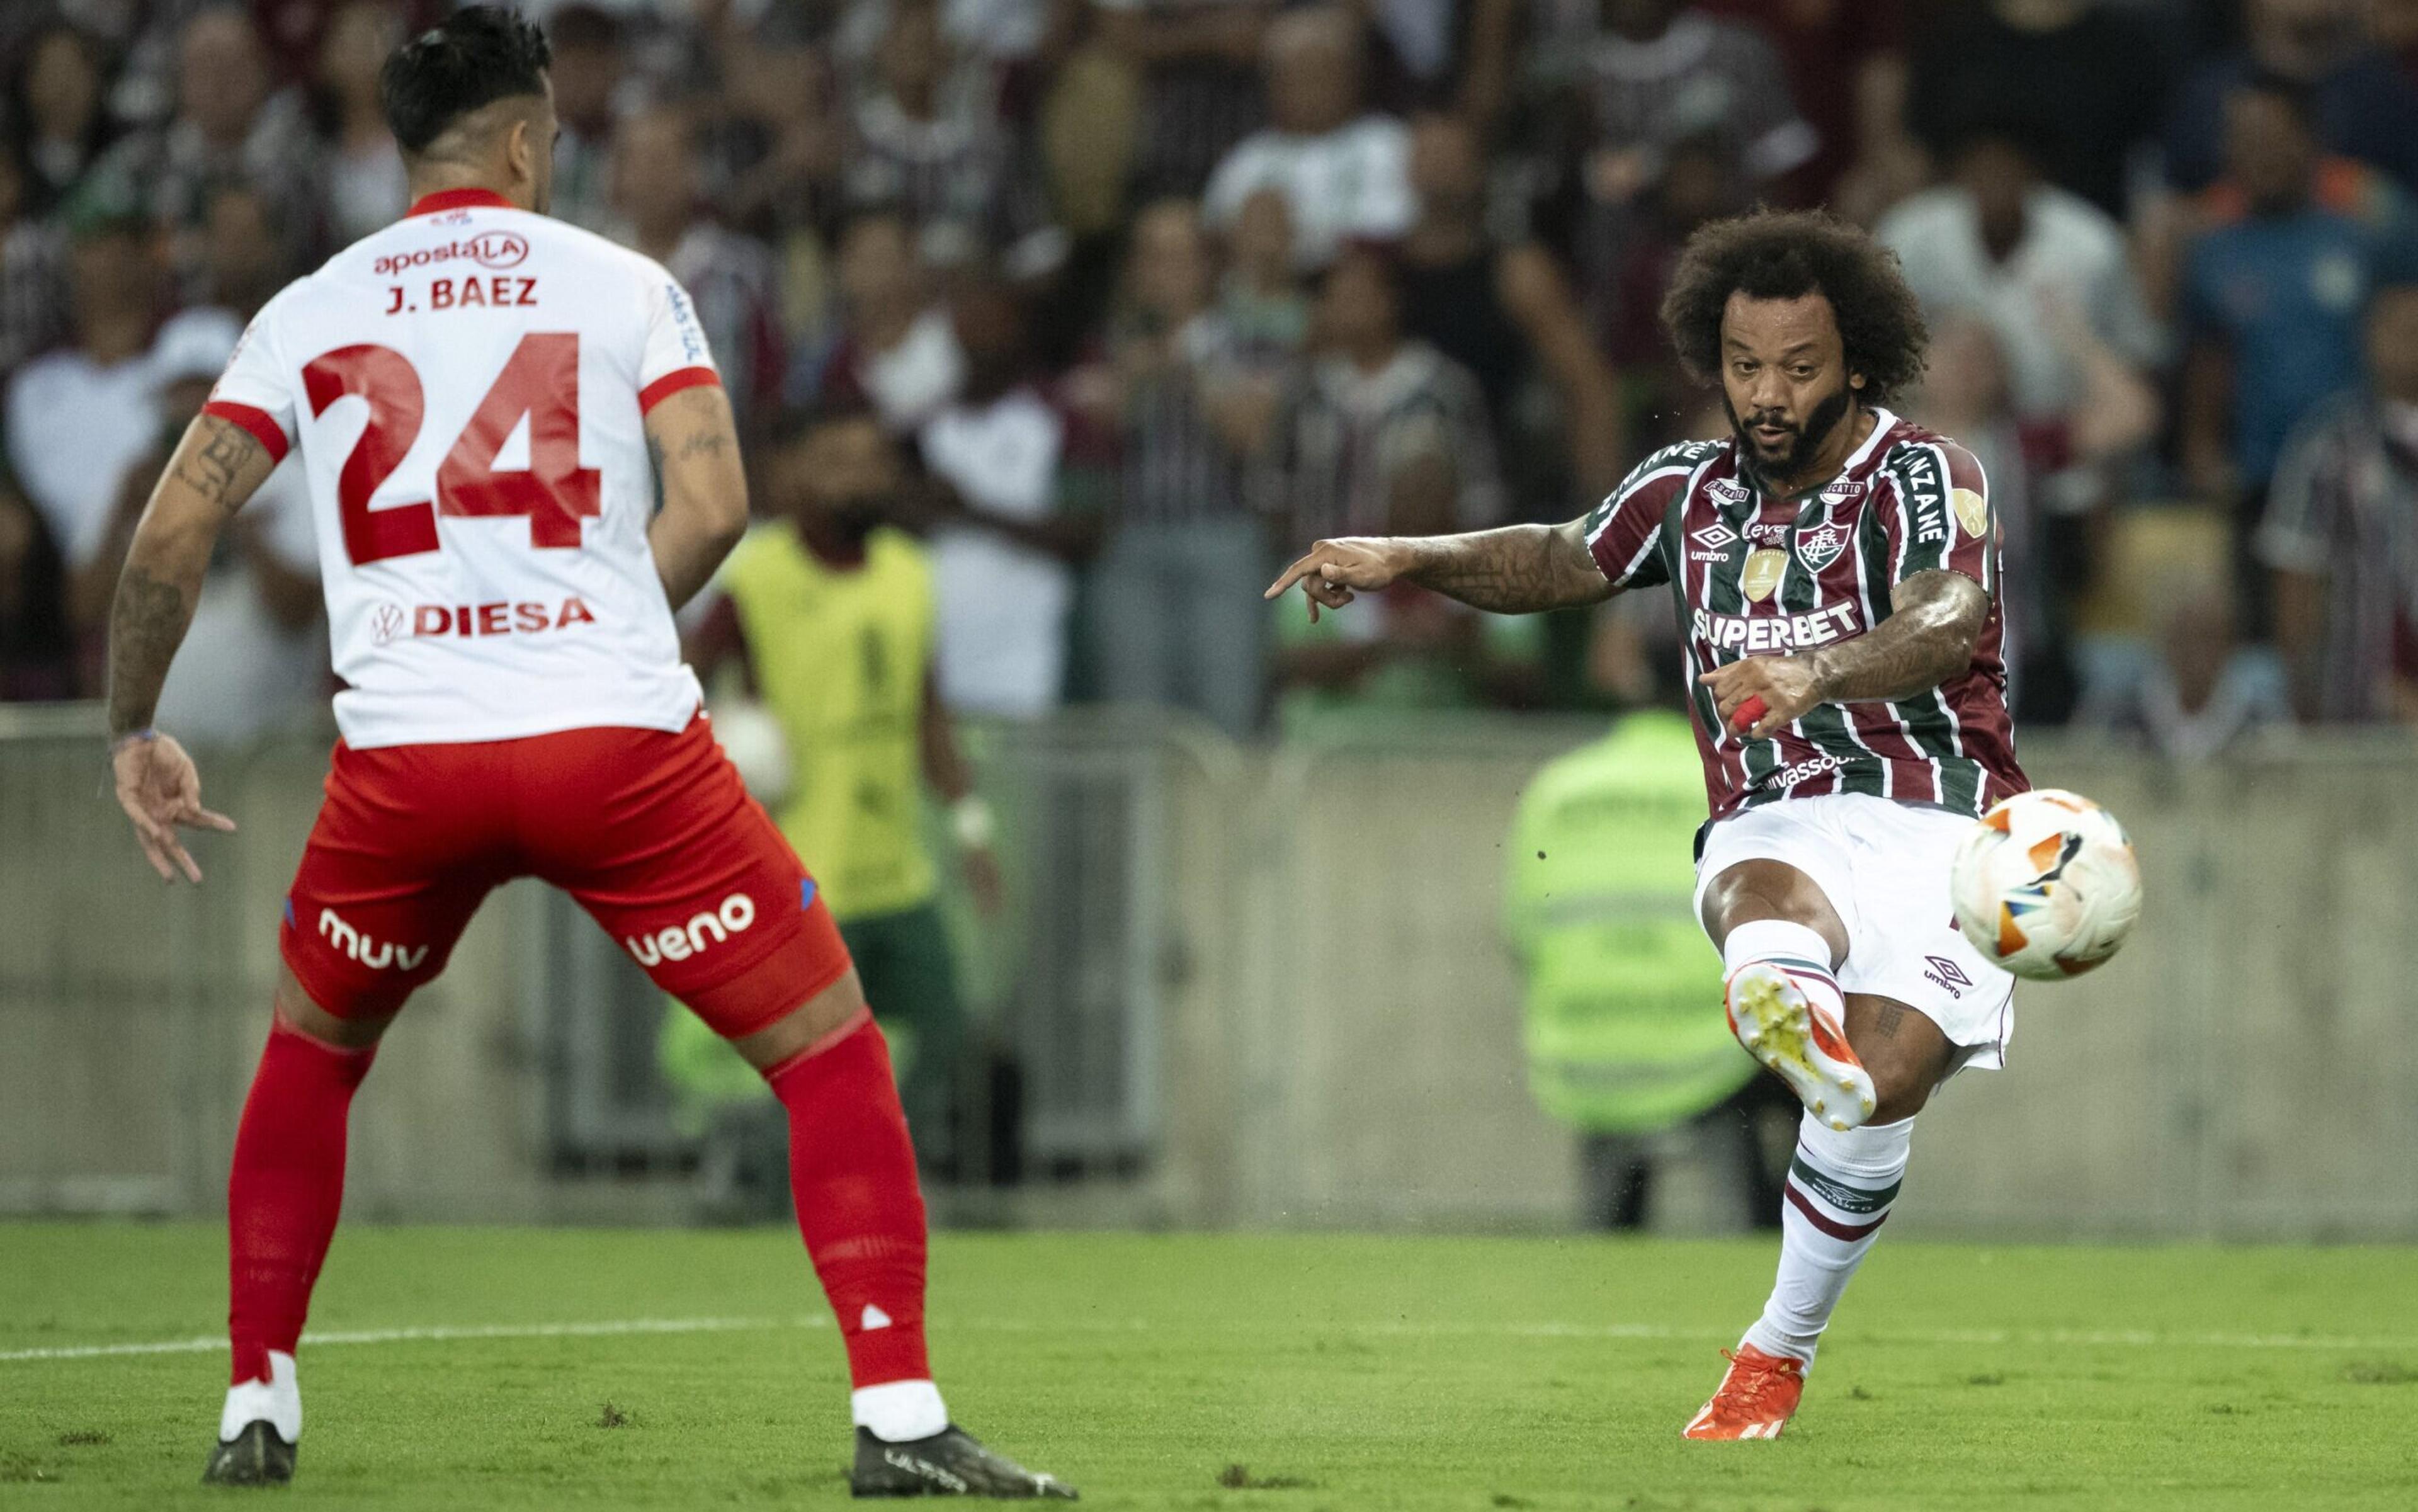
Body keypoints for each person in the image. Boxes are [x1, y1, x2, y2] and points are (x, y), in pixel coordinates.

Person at [98, 9, 1068, 1496]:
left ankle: (256, 1403)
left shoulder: (310, 308)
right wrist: (595, 625)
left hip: (405, 770)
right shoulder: (626, 286)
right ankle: (896, 1419)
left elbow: (174, 530)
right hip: (611, 749)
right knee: (827, 1052)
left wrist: (135, 726)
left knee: (311, 1054)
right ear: (525, 138)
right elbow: (719, 500)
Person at [1268, 209, 2028, 1440]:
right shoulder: (1688, 488)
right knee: (1758, 880)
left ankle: (1773, 1355)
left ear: (1856, 363)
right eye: (1743, 366)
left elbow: (1947, 614)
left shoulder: (1922, 473)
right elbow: (1561, 559)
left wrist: (1819, 672)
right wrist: (1408, 552)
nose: (1767, 394)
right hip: (1780, 805)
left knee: (1879, 1088)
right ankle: (1772, 980)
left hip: (1943, 818)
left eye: (1796, 367)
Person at [682, 405, 1004, 1167]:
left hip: (898, 866)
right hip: (801, 872)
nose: (857, 477)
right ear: (794, 477)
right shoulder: (757, 578)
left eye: (871, 461)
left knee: (943, 1036)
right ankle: (768, 1195)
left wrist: (971, 829)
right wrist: (731, 752)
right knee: (811, 1048)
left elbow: (929, 714)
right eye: (836, 461)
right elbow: (681, 690)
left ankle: (903, 1195)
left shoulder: (909, 574)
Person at [1503, 696, 1791, 1231]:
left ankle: (1610, 1250)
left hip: (1586, 1058)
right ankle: (1778, 1243)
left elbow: (1520, 937)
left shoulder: (1556, 787)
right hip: (1716, 1061)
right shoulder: (1739, 782)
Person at [2179, 72, 2418, 632]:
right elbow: (2207, 364)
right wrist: (2202, 447)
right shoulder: (2214, 251)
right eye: (2242, 137)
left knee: (2375, 633)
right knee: (2269, 640)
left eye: (2271, 135)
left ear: (2309, 140)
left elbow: (2401, 334)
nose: (2255, 152)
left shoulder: (2363, 238)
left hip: (2363, 476)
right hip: (2262, 481)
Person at [2260, 280, 2418, 722]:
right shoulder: (2328, 444)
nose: (2413, 340)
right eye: (2400, 329)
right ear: (2370, 340)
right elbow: (2295, 571)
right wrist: (2299, 683)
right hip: (2356, 689)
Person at [1201, 6, 1414, 271]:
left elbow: (1397, 225)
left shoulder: (1390, 144)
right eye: (1297, 76)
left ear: (1354, 77)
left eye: (1322, 74)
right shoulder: (1248, 159)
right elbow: (1219, 238)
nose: (1311, 91)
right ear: (1274, 85)